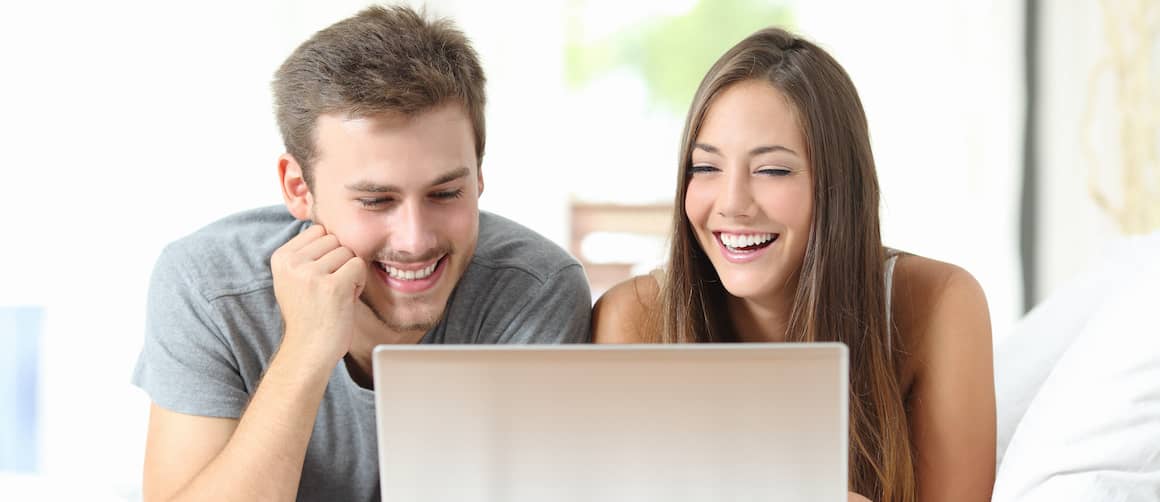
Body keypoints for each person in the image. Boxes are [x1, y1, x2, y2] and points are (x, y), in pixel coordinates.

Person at [132, 6, 591, 501]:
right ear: (297, 187)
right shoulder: (209, 287)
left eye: (446, 193)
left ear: (478, 176)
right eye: (376, 200)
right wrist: (305, 351)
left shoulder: (533, 289)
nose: (415, 239)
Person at [592, 27, 995, 502]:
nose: (733, 203)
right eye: (706, 168)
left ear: (838, 187)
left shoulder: (938, 305)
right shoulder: (634, 319)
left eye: (773, 170)